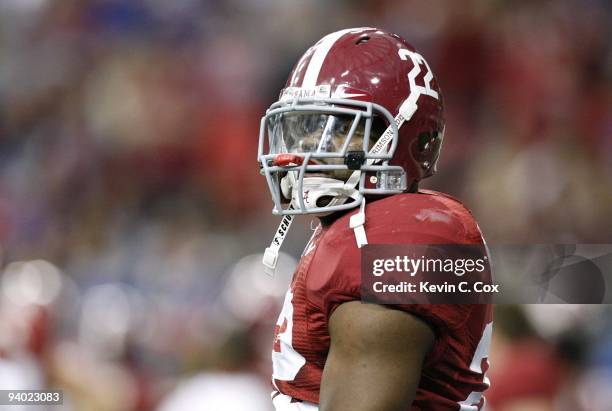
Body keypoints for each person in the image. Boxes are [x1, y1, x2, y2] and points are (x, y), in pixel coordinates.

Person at [258, 27, 492, 411]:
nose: (304, 153)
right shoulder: (357, 227)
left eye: (337, 130)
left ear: (410, 137)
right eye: (303, 129)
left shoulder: (397, 232)